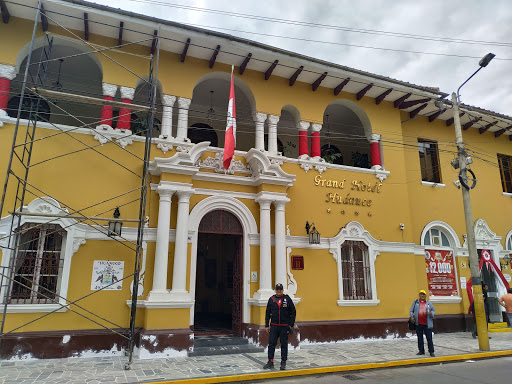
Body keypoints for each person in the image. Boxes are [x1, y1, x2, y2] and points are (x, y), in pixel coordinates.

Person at [263, 283, 296, 370]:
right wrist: (266, 325)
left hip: (284, 327)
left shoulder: (287, 299)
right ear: (275, 291)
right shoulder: (271, 299)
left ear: (283, 290)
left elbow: (293, 312)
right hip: (274, 326)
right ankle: (270, 361)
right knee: (271, 344)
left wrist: (291, 325)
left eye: (280, 290)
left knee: (284, 345)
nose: (279, 291)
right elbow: (267, 313)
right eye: (277, 290)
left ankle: (283, 362)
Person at [409, 289, 435, 357]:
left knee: (429, 338)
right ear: (419, 295)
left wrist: (431, 313)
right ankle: (421, 351)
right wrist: (412, 317)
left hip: (427, 324)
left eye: (423, 294)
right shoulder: (416, 302)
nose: (422, 295)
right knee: (420, 338)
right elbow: (411, 310)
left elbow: (433, 310)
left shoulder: (429, 303)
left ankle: (431, 351)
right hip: (418, 324)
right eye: (421, 294)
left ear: (425, 295)